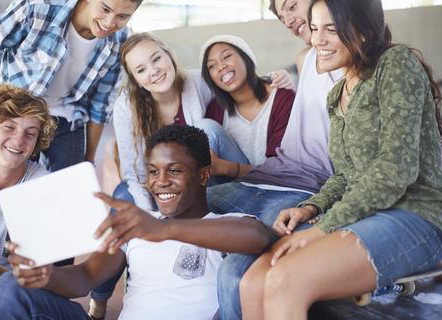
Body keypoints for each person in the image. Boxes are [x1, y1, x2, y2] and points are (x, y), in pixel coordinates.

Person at [239, 0, 442, 319]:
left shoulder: (395, 64)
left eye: (331, 29)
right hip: (367, 212)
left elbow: (395, 170)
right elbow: (346, 176)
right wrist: (310, 208)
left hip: (415, 215)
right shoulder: (337, 95)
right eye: (316, 28)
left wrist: (321, 228)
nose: (318, 39)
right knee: (253, 280)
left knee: (283, 279)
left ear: (362, 32)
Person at [0, 124, 269, 320]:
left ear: (204, 176)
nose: (161, 182)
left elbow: (255, 236)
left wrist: (163, 229)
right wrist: (47, 276)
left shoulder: (226, 224)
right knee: (10, 287)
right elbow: (85, 277)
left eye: (175, 170)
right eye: (153, 171)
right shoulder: (136, 227)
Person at [205, 0, 343, 318]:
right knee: (173, 214)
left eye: (291, 5)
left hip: (301, 190)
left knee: (235, 274)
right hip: (264, 178)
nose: (287, 19)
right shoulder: (305, 58)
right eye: (281, 15)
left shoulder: (356, 65)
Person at [112, 32, 294, 212]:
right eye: (141, 70)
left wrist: (273, 78)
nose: (154, 71)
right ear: (136, 81)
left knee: (205, 128)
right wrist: (150, 215)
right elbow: (134, 175)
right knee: (123, 194)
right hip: (164, 185)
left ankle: (191, 217)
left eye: (157, 59)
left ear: (169, 53)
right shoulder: (126, 106)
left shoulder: (198, 82)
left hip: (206, 178)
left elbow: (234, 80)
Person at [0, 0, 142, 172]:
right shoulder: (37, 6)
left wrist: (88, 162)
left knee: (68, 189)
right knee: (6, 185)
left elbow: (101, 104)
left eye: (122, 16)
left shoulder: (120, 41)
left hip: (68, 117)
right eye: (105, 9)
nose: (109, 23)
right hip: (16, 111)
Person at [0, 84, 56, 320]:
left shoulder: (40, 183)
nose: (18, 140)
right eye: (9, 127)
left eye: (30, 133)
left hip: (15, 295)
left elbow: (41, 275)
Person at [195, 35, 295, 185]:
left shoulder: (283, 98)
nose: (221, 67)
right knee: (204, 127)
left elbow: (281, 170)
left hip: (275, 187)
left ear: (246, 57)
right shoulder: (216, 109)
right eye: (212, 66)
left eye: (226, 56)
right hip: (233, 188)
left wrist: (222, 167)